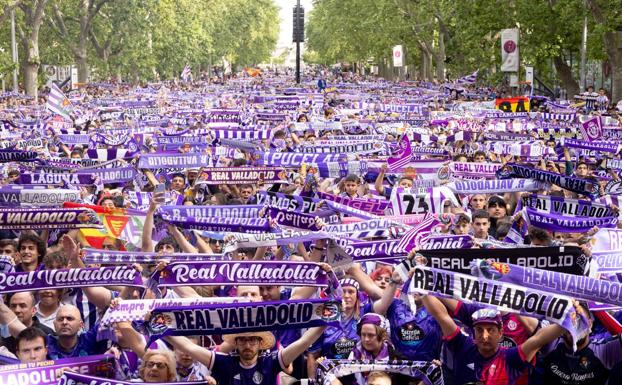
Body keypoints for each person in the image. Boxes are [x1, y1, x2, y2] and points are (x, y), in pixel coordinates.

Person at [423, 294, 566, 385]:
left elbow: (539, 339)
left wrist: (570, 320)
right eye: (479, 330)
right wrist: (420, 286)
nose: (484, 336)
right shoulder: (462, 346)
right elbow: (440, 315)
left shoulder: (510, 358)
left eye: (491, 330)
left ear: (501, 332)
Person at [164, 326, 326, 385]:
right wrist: (159, 328)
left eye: (252, 340)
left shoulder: (271, 362)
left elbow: (304, 342)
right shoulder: (224, 362)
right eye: (243, 340)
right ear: (236, 342)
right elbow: (187, 346)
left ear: (259, 343)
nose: (247, 345)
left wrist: (327, 320)